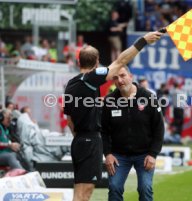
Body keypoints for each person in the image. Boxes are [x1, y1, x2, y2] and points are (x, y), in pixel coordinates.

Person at [63, 31, 163, 201]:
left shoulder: (71, 84)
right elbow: (120, 61)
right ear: (96, 62)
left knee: (79, 191)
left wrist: (80, 137)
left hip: (79, 141)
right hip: (89, 141)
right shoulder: (90, 79)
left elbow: (69, 120)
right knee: (84, 194)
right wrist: (143, 41)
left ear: (79, 61)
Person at [101, 66, 164, 201]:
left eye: (123, 76)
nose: (120, 80)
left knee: (145, 188)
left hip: (144, 154)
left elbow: (159, 128)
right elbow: (104, 131)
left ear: (131, 76)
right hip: (118, 156)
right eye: (116, 78)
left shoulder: (149, 97)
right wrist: (107, 154)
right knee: (114, 188)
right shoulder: (109, 101)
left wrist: (153, 154)